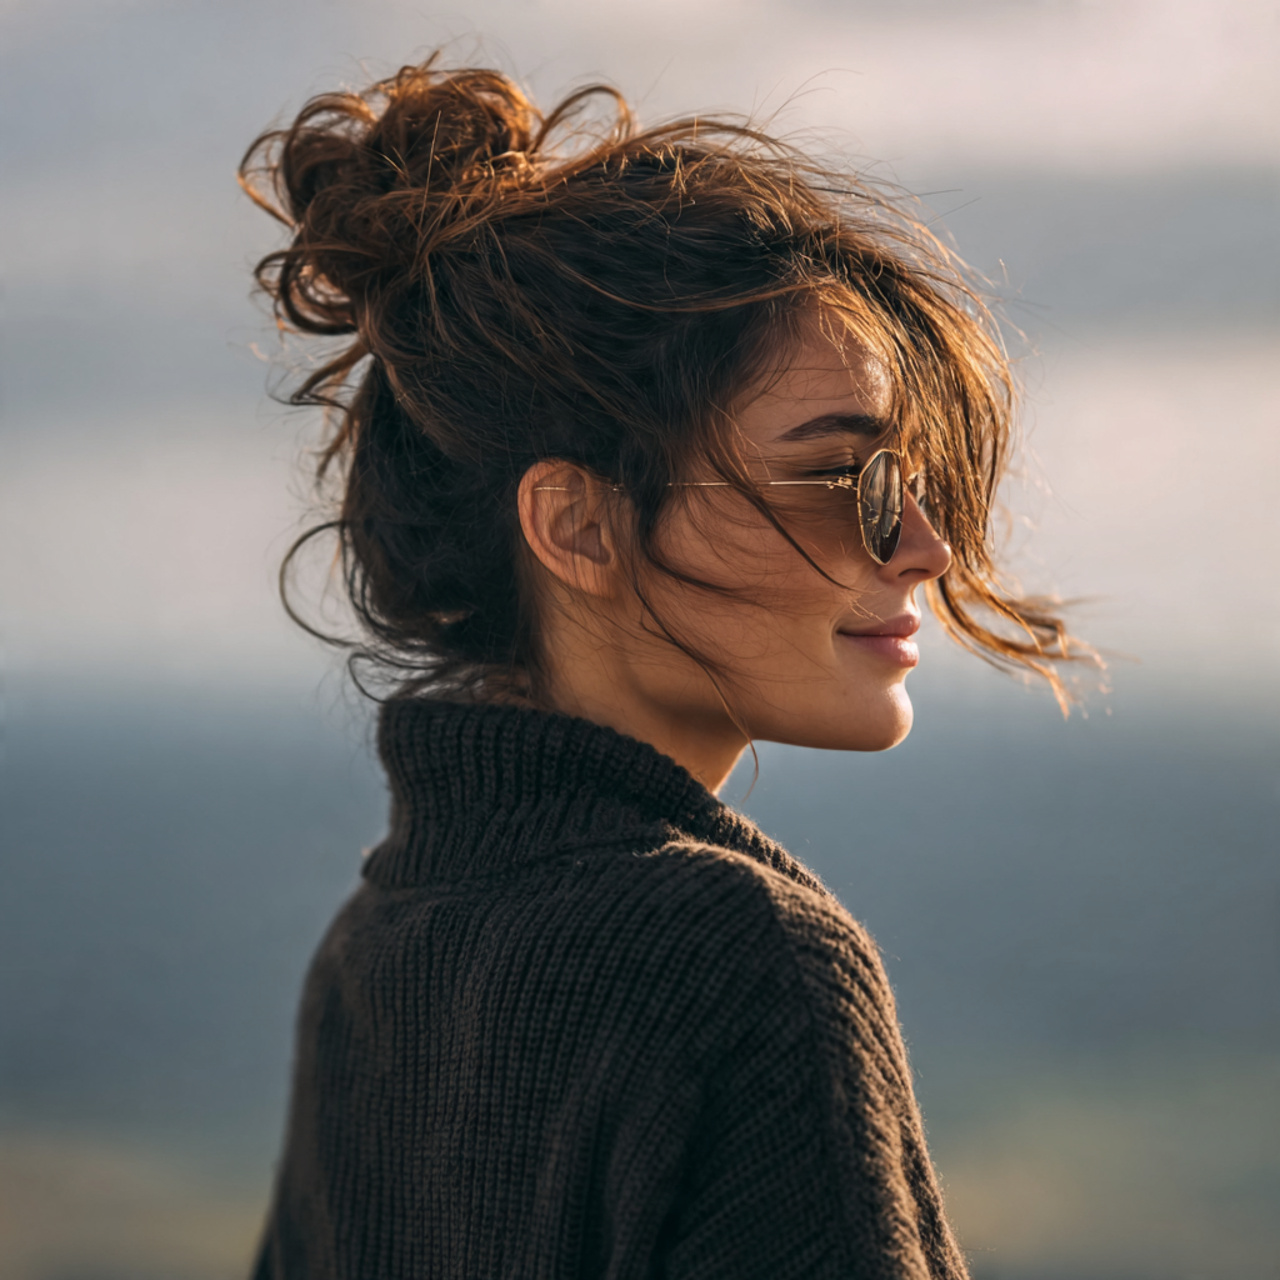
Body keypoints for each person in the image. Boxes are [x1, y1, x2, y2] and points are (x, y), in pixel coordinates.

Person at [239, 54, 1083, 1279]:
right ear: (575, 525)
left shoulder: (376, 952)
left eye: (910, 479)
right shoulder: (741, 960)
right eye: (840, 475)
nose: (924, 547)